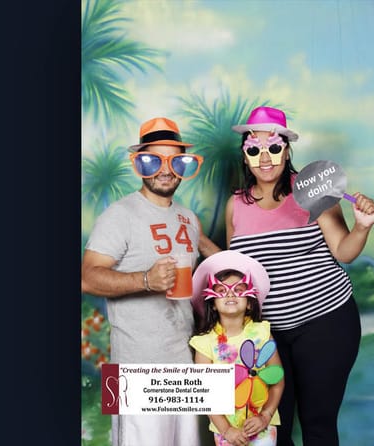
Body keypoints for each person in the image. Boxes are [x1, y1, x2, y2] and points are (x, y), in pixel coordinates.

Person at [225, 106, 374, 446]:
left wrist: (362, 227)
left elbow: (343, 251)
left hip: (325, 322)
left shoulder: (313, 190)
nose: (265, 157)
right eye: (254, 149)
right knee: (272, 428)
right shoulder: (235, 205)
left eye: (273, 147)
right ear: (245, 156)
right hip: (268, 336)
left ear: (287, 150)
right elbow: (236, 272)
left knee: (317, 424)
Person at [81, 116, 220, 446]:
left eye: (175, 161)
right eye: (153, 160)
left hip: (185, 365)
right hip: (135, 367)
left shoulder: (188, 218)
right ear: (139, 164)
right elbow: (86, 278)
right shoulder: (119, 215)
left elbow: (215, 261)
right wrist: (146, 280)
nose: (165, 170)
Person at [189, 250, 284, 446]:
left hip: (262, 427)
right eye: (222, 291)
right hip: (227, 432)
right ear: (213, 305)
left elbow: (278, 380)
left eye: (239, 290)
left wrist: (265, 416)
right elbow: (205, 393)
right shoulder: (205, 343)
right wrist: (226, 430)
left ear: (249, 304)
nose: (231, 294)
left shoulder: (262, 333)